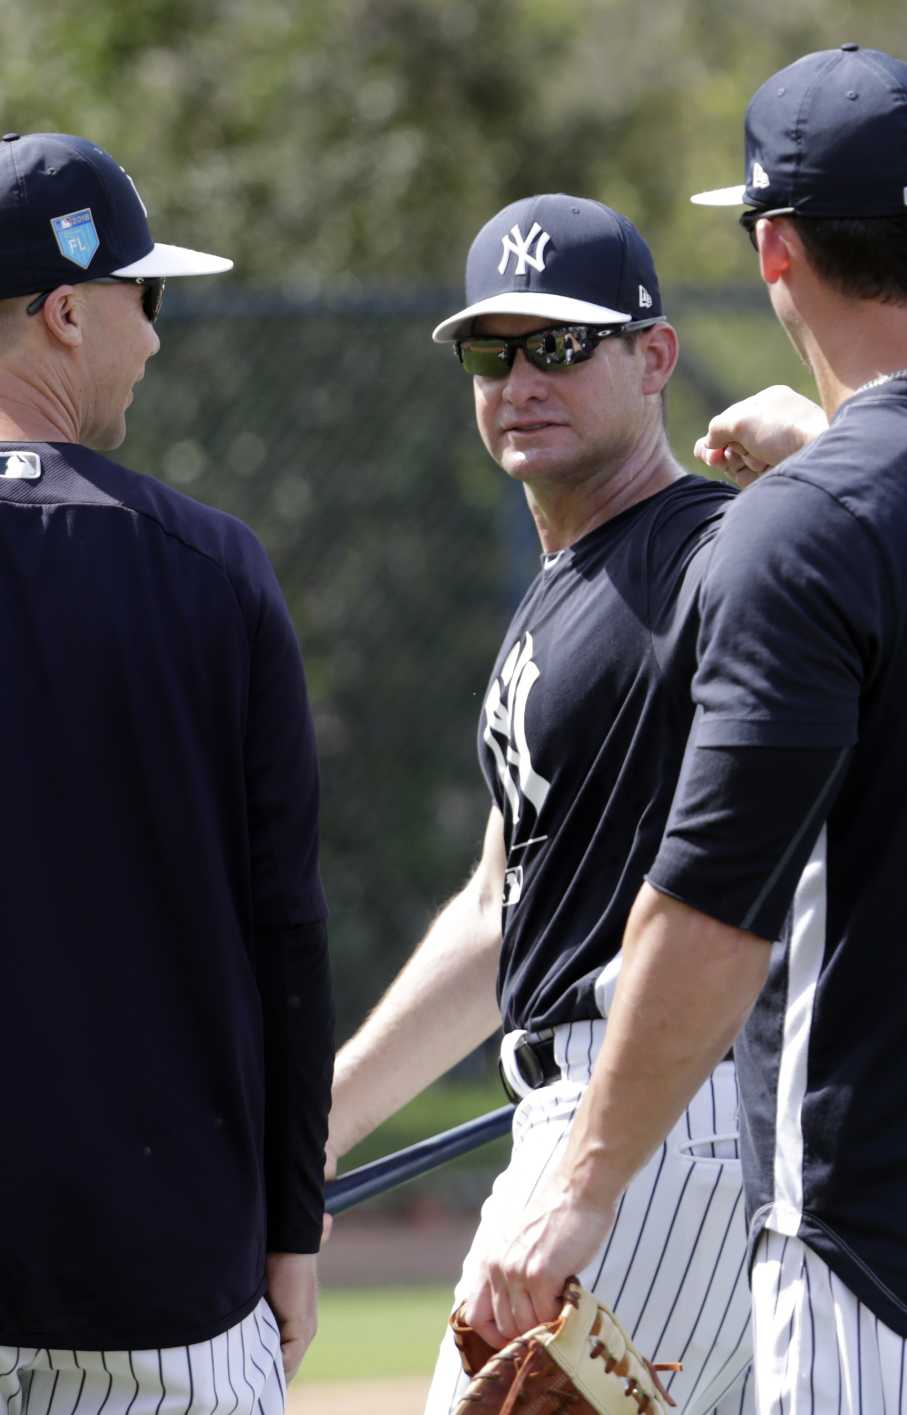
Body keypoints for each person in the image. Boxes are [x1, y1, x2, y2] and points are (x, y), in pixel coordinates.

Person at [464, 43, 907, 1414]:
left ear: (772, 249)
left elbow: (713, 912)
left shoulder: (808, 525)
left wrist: (580, 1193)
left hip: (897, 1226)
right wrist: (833, 452)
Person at [323, 194, 753, 1415]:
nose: (521, 378)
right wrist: (323, 1124)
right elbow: (495, 904)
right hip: (618, 1121)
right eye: (491, 350)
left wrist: (820, 446)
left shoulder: (715, 552)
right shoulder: (563, 588)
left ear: (655, 356)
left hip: (653, 1116)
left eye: (562, 344)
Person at [0, 132, 329, 1411]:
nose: (156, 335)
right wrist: (290, 1232)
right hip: (160, 1296)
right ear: (68, 311)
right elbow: (285, 927)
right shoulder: (212, 568)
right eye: (150, 297)